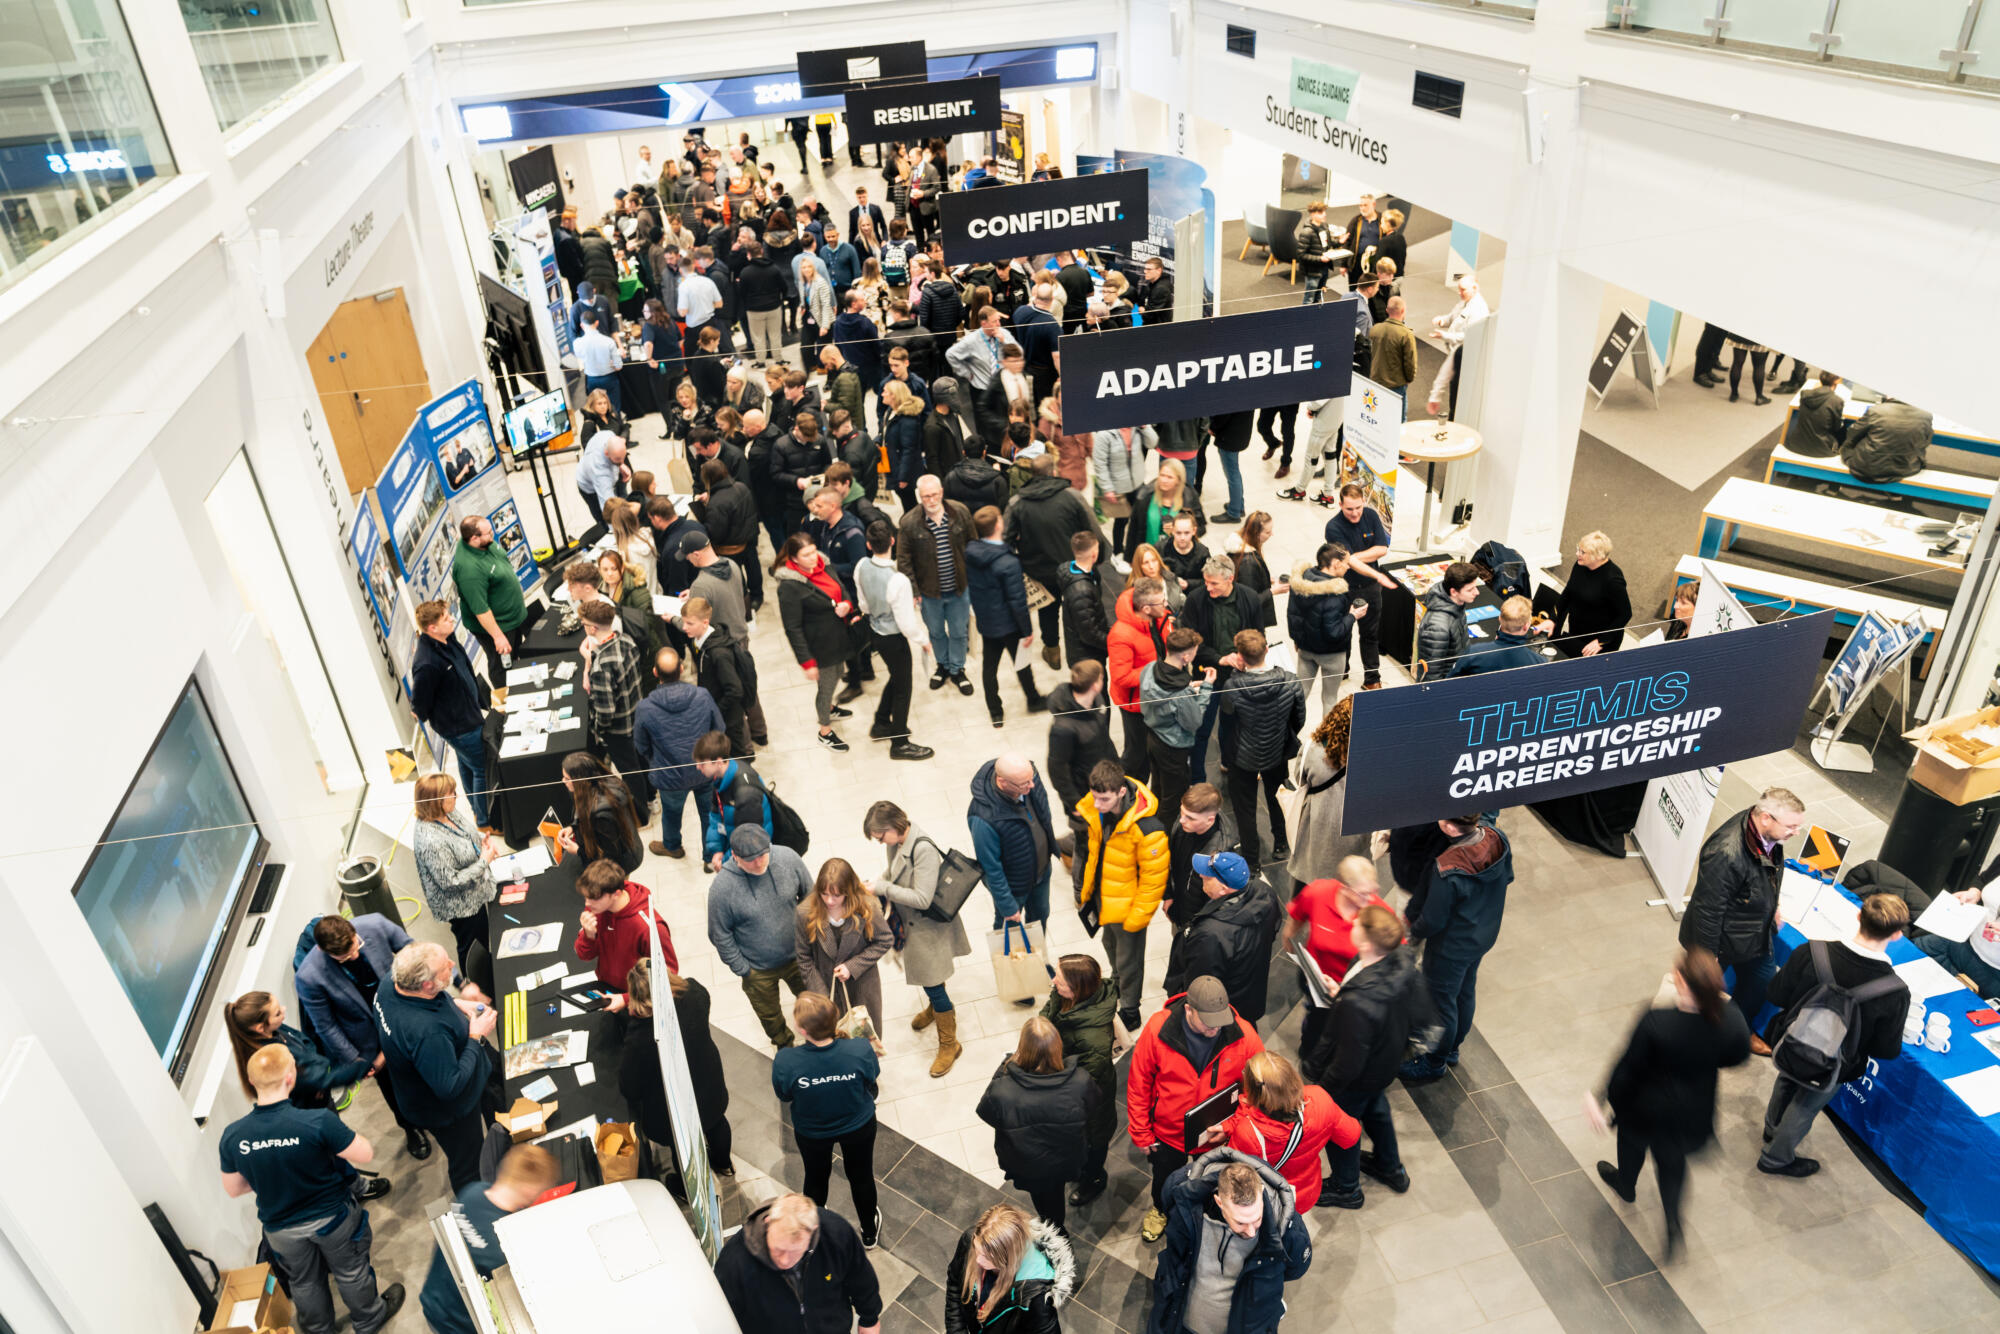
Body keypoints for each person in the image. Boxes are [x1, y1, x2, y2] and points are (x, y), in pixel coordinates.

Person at [218, 1046, 404, 1334]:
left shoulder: (233, 1136)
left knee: (304, 1282)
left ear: (252, 1081)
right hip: (332, 1218)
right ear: (291, 1077)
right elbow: (364, 1154)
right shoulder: (316, 1122)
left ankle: (320, 1330)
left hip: (281, 1230)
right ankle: (369, 1320)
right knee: (350, 1272)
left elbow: (234, 1189)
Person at [1586, 951, 1750, 1256]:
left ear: (1680, 982)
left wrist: (1604, 1100)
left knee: (1632, 1144)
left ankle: (1626, 1184)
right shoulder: (1730, 1019)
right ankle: (1673, 1224)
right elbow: (1738, 1055)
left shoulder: (1657, 1021)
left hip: (1645, 1107)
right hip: (1692, 1110)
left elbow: (1627, 1069)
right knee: (1672, 1164)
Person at [1758, 895, 1911, 1178]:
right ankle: (1776, 1158)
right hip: (1837, 1063)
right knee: (1806, 1105)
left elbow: (1775, 994)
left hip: (1792, 1042)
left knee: (1786, 1079)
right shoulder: (1895, 991)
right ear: (1897, 934)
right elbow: (1885, 1049)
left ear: (1858, 917)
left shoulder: (1810, 952)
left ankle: (1771, 1130)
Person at [1301, 904, 1432, 1208]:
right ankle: (1390, 1168)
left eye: (1358, 924)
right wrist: (1342, 995)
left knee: (1342, 1127)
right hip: (1383, 1062)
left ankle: (1347, 1188)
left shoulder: (1359, 1003)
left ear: (1366, 941)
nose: (1353, 923)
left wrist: (1324, 1094)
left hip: (1357, 1075)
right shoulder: (1399, 961)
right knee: (1376, 1110)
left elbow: (1348, 1062)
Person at [1127, 975, 1266, 1241]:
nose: (1216, 1029)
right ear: (1189, 1009)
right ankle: (1161, 1209)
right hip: (1169, 1133)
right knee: (1165, 1180)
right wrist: (1141, 1131)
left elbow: (1256, 1092)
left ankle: (1209, 1215)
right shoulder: (1158, 1029)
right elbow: (1139, 1082)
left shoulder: (1244, 1035)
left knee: (1214, 1180)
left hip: (1218, 1134)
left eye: (1220, 1021)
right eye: (1207, 1022)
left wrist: (1230, 1125)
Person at [1678, 787, 1805, 1053]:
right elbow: (1708, 909)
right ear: (1767, 817)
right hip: (1720, 940)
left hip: (1754, 933)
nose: (1796, 832)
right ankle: (1686, 1040)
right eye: (1791, 826)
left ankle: (1737, 1032)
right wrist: (1708, 954)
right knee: (1699, 995)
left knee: (1761, 983)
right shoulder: (1725, 853)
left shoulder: (1767, 834)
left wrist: (1773, 903)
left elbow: (1767, 873)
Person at [296, 914, 430, 1158]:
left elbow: (414, 950)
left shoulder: (375, 924)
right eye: (345, 957)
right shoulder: (308, 977)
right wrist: (356, 1060)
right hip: (368, 1037)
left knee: (425, 1062)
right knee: (392, 1086)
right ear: (324, 951)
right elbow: (326, 1026)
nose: (354, 956)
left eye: (355, 946)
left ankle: (435, 1109)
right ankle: (410, 1126)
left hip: (403, 1012)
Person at [373, 941, 497, 1193]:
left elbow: (434, 1001)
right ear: (427, 984)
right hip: (449, 1110)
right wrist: (476, 1036)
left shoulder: (390, 983)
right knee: (468, 1162)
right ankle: (475, 1208)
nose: (452, 966)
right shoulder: (427, 1033)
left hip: (431, 1080)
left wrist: (457, 1005)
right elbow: (450, 1086)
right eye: (445, 967)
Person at [1401, 815, 1515, 1080]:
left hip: (1450, 948)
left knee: (1442, 1005)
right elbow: (1507, 877)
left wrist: (1411, 933)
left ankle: (1435, 1062)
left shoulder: (1447, 868)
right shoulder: (1496, 837)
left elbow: (1432, 921)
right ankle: (1452, 1049)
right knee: (1464, 991)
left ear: (1448, 826)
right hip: (1483, 934)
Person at [863, 802, 972, 1076]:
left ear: (894, 826)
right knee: (929, 978)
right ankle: (935, 1009)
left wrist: (883, 887)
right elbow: (894, 873)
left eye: (879, 836)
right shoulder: (897, 843)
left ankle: (950, 1043)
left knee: (933, 983)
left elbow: (923, 899)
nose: (879, 842)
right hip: (913, 924)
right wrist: (878, 882)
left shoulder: (921, 849)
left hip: (927, 928)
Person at [1150, 1151, 1311, 1333]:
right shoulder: (1183, 1191)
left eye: (1257, 1219)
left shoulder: (1287, 1228)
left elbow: (1296, 1267)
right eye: (1241, 1222)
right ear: (1219, 1202)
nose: (1251, 1232)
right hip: (1180, 1316)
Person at [773, 992, 885, 1247]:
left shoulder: (786, 1061)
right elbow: (871, 1078)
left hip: (812, 1132)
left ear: (802, 1030)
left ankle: (814, 1229)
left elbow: (783, 1094)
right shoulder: (858, 1048)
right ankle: (868, 1232)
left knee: (815, 1176)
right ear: (835, 1020)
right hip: (858, 1124)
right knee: (861, 1175)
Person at [976, 1018, 1103, 1234]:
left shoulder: (1002, 1089)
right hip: (1065, 1160)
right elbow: (1094, 1107)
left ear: (1022, 1048)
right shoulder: (1080, 1081)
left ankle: (1055, 1233)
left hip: (1027, 1163)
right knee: (1055, 1196)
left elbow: (986, 1113)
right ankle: (1056, 1229)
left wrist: (1004, 1067)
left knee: (1044, 1203)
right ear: (1057, 1047)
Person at [416, 1145, 557, 1334]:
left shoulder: (472, 1192)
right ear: (530, 1192)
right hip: (460, 1323)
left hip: (433, 1300)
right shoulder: (503, 1247)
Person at [619, 957, 733, 1176]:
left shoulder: (641, 1035)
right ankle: (724, 1164)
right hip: (707, 1082)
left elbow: (629, 1087)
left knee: (680, 1146)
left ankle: (684, 1184)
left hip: (672, 1104)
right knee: (715, 1122)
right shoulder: (694, 994)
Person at [1074, 757, 1171, 1015]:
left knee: (1130, 960)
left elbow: (1154, 879)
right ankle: (1116, 985)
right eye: (1094, 797)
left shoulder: (1148, 828)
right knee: (1109, 945)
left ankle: (1130, 1008)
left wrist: (1139, 916)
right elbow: (1093, 853)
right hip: (1106, 898)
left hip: (1129, 907)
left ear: (1122, 792)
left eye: (1104, 799)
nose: (1097, 805)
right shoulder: (1099, 812)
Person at [1208, 1052, 1357, 1216]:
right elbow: (1351, 1136)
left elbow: (1234, 1177)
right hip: (1307, 1191)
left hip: (1273, 1201)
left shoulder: (1248, 1132)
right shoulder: (1319, 1098)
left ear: (1251, 1089)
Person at [708, 823, 812, 1048]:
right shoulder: (722, 888)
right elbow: (719, 933)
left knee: (814, 1001)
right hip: (758, 970)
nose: (759, 862)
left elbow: (810, 896)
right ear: (734, 855)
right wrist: (744, 969)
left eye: (763, 854)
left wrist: (808, 938)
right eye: (750, 859)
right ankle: (784, 1044)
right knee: (770, 1015)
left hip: (800, 955)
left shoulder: (787, 858)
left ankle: (817, 1036)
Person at [716, 1192, 883, 1333]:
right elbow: (722, 1317)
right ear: (768, 1223)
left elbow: (860, 1276)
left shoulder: (835, 1233)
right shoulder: (733, 1264)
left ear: (813, 1231)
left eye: (795, 1252)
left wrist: (870, 1318)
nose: (785, 1260)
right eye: (779, 1249)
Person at [1285, 857, 1396, 1060]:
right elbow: (1294, 920)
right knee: (1316, 1022)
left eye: (1373, 891)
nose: (1370, 898)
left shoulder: (1380, 915)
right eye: (1363, 893)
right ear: (1344, 888)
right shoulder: (1318, 893)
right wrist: (1291, 946)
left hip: (1353, 992)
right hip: (1317, 980)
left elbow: (1395, 958)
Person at [1034, 954, 1120, 1210]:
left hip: (1091, 1099)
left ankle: (1094, 1178)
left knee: (1094, 1141)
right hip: (1072, 1087)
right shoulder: (1067, 997)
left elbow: (1085, 1081)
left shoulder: (1093, 1037)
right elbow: (1045, 1018)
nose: (1053, 982)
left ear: (1076, 989)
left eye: (1058, 980)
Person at [223, 992, 377, 1130]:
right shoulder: (273, 1061)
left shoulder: (275, 1030)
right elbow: (322, 1080)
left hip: (319, 1099)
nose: (283, 1010)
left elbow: (305, 1042)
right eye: (277, 1013)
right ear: (260, 1028)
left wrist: (316, 1067)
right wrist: (364, 1065)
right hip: (312, 1115)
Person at [1220, 630, 1306, 869]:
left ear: (1240, 656)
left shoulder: (1232, 687)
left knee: (1244, 806)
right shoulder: (1290, 681)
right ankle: (1281, 844)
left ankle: (1251, 859)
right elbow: (1299, 719)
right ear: (1267, 650)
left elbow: (1226, 725)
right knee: (1277, 796)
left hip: (1242, 755)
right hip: (1277, 750)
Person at [1163, 852, 1281, 1025]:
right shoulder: (1266, 894)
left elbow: (1200, 986)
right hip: (1250, 996)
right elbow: (1273, 931)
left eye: (1208, 876)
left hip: (1219, 1015)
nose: (1201, 875)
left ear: (1223, 889)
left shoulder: (1211, 934)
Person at [411, 773, 499, 986]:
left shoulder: (449, 813)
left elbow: (465, 834)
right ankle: (477, 984)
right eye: (451, 794)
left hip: (476, 890)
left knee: (483, 935)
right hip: (461, 906)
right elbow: (450, 882)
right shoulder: (430, 840)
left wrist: (479, 842)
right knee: (471, 945)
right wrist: (484, 861)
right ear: (436, 802)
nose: (456, 796)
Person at [410, 600, 490, 830]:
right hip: (459, 727)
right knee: (481, 767)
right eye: (446, 618)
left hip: (470, 715)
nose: (452, 619)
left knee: (468, 766)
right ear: (432, 628)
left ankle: (478, 811)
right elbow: (420, 706)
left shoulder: (448, 639)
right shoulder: (426, 663)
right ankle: (485, 821)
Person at [773, 532, 857, 752]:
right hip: (820, 646)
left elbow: (842, 588)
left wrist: (847, 604)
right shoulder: (789, 586)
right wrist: (807, 662)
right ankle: (825, 730)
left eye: (813, 551)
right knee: (827, 684)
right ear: (794, 559)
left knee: (839, 672)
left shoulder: (825, 565)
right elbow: (792, 628)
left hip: (838, 635)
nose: (813, 557)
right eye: (806, 555)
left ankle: (829, 708)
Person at [796, 857, 894, 1038]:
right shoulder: (805, 913)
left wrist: (852, 966)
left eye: (836, 895)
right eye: (824, 894)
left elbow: (885, 940)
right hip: (825, 987)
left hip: (862, 985)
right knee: (834, 1039)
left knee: (866, 1039)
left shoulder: (867, 906)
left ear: (848, 891)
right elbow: (804, 958)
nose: (830, 901)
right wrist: (822, 997)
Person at [897, 475, 977, 694]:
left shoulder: (960, 512)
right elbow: (903, 560)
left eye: (934, 495)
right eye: (926, 496)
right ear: (919, 497)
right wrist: (913, 591)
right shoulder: (909, 522)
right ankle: (942, 665)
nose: (931, 500)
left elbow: (973, 545)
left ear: (941, 492)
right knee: (936, 632)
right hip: (929, 592)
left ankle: (957, 669)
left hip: (959, 588)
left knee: (959, 632)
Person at [967, 504, 1045, 727]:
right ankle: (1033, 699)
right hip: (1009, 624)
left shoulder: (971, 551)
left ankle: (995, 712)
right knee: (1022, 662)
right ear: (998, 524)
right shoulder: (1008, 562)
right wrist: (1027, 630)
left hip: (987, 621)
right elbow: (1017, 601)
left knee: (989, 668)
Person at [945, 1200, 1076, 1333]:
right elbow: (954, 1286)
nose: (978, 1260)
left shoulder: (1035, 1299)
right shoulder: (970, 1238)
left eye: (987, 1257)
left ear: (1008, 1258)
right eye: (976, 1249)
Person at [969, 753, 1059, 942]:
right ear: (1002, 782)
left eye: (1031, 778)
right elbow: (991, 866)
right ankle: (1013, 971)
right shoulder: (983, 817)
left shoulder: (1027, 777)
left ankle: (1037, 962)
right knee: (1009, 934)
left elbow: (1043, 814)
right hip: (1014, 888)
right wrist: (1007, 905)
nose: (1032, 786)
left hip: (1041, 873)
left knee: (1040, 918)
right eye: (1024, 784)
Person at [578, 598, 653, 820]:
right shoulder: (626, 640)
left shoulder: (601, 667)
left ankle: (641, 815)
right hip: (636, 716)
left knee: (630, 772)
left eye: (584, 624)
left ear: (592, 628)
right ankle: (651, 797)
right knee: (640, 762)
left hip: (619, 730)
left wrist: (599, 731)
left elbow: (606, 712)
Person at [1287, 696, 1368, 892]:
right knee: (1346, 879)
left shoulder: (1312, 749)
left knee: (1309, 870)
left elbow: (1300, 778)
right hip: (1353, 826)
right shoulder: (1370, 754)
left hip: (1317, 822)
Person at [574, 857, 678, 996]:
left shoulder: (649, 928)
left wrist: (626, 999)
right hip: (607, 988)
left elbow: (668, 976)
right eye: (586, 898)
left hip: (637, 999)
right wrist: (589, 936)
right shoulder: (596, 908)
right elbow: (584, 955)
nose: (587, 904)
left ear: (616, 894)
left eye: (593, 898)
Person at [1324, 485, 1395, 688]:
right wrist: (1357, 559)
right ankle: (1341, 670)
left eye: (1358, 507)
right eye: (1349, 509)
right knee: (1342, 633)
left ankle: (1372, 679)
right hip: (1344, 589)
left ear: (1363, 502)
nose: (1355, 513)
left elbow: (1382, 548)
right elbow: (1350, 561)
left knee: (1370, 634)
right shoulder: (1333, 527)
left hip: (1371, 588)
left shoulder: (1371, 516)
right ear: (1340, 505)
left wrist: (1353, 558)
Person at [1139, 627, 1213, 818]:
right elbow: (1194, 722)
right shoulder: (1179, 693)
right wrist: (1206, 688)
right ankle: (1164, 839)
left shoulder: (1149, 669)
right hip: (1173, 747)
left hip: (1152, 737)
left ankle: (1151, 825)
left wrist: (1188, 689)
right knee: (1173, 800)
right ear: (1186, 657)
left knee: (1157, 787)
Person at [1047, 660, 1118, 845]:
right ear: (1096, 684)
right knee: (1085, 843)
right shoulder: (1063, 728)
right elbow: (1057, 769)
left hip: (1105, 782)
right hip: (1083, 793)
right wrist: (1074, 803)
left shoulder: (1097, 702)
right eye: (1102, 678)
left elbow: (1104, 741)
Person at [451, 516, 532, 676]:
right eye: (488, 533)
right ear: (474, 538)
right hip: (499, 626)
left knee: (515, 655)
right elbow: (480, 609)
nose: (493, 535)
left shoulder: (482, 543)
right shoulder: (469, 570)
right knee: (502, 668)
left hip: (512, 618)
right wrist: (498, 637)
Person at [1287, 543, 1359, 715]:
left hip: (1305, 650)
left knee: (1299, 695)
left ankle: (1285, 736)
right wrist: (1353, 616)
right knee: (1329, 699)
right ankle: (1327, 740)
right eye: (1346, 562)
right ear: (1335, 563)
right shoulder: (1335, 594)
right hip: (1332, 655)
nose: (1349, 566)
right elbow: (1334, 633)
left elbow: (1292, 615)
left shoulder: (1301, 583)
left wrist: (1298, 640)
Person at [1538, 529, 1631, 658]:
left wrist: (1601, 641)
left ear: (1597, 556)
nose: (1577, 554)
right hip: (1578, 630)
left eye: (1582, 552)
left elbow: (1625, 614)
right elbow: (1568, 594)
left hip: (1599, 641)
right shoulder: (1580, 565)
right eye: (1578, 549)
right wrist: (1553, 620)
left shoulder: (1613, 580)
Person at [1165, 783, 1234, 938]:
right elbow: (1170, 862)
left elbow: (1211, 902)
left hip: (1196, 926)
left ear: (1210, 820)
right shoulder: (1185, 823)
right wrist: (1168, 895)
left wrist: (1189, 927)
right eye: (1181, 812)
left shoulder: (1218, 855)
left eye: (1190, 818)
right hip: (1179, 908)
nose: (1182, 820)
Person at [560, 750, 645, 875]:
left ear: (581, 780)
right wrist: (573, 827)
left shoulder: (602, 815)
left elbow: (609, 858)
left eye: (567, 778)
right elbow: (582, 811)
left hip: (619, 866)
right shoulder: (599, 784)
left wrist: (578, 851)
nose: (563, 781)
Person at [1427, 274, 1490, 417]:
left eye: (1463, 290)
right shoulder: (1464, 302)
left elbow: (1466, 337)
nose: (1460, 293)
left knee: (1459, 397)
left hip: (1466, 358)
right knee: (1454, 396)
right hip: (1456, 353)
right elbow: (1452, 317)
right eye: (1459, 289)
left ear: (1474, 288)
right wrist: (1442, 321)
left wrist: (1443, 335)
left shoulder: (1479, 310)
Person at [1841, 397, 1934, 484]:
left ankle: (1835, 486)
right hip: (1906, 467)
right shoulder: (1926, 415)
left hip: (1868, 468)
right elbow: (1926, 441)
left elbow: (1853, 434)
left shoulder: (1876, 410)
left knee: (1852, 444)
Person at [1414, 560, 1480, 680]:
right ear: (1453, 592)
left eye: (1475, 587)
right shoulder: (1436, 626)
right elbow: (1431, 676)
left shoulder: (1457, 604)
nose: (1477, 592)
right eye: (1470, 590)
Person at [1057, 532, 1111, 668]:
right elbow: (1090, 634)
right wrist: (1113, 642)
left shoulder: (1067, 569)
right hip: (1087, 658)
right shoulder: (1081, 593)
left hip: (1082, 649)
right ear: (1094, 554)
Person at [1456, 594, 1543, 675]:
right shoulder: (1539, 663)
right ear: (1526, 626)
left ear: (1500, 619)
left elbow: (1450, 684)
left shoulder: (1473, 653)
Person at [1785, 371, 1849, 458]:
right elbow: (1836, 427)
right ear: (1837, 381)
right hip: (1820, 450)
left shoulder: (1805, 394)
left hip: (1795, 445)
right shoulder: (1837, 401)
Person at [574, 307, 625, 413]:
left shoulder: (577, 343)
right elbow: (619, 366)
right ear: (597, 323)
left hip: (592, 379)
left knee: (596, 409)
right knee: (615, 407)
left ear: (582, 326)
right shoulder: (608, 341)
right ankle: (618, 427)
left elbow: (580, 358)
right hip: (609, 378)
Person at [1294, 201, 1343, 304]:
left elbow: (1328, 243)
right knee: (1309, 299)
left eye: (1324, 212)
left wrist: (1339, 242)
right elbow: (1301, 255)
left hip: (1324, 268)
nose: (1324, 214)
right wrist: (1320, 259)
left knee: (1318, 296)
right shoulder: (1307, 232)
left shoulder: (1324, 226)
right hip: (1313, 271)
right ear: (1312, 214)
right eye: (1321, 212)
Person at [1369, 294, 1418, 394]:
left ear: (1387, 310)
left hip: (1376, 381)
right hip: (1396, 385)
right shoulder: (1406, 334)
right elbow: (1410, 362)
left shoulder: (1375, 329)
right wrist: (1409, 378)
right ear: (1403, 311)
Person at [1137, 255, 1174, 323]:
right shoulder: (1151, 284)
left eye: (1149, 269)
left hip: (1159, 328)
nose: (1145, 271)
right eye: (1145, 269)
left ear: (1159, 270)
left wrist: (1143, 311)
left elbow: (1151, 314)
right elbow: (1141, 301)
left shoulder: (1161, 288)